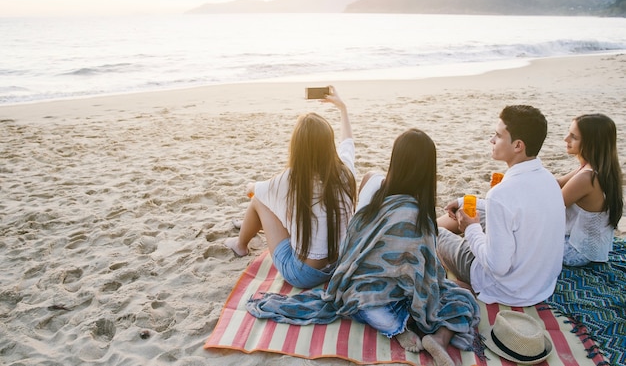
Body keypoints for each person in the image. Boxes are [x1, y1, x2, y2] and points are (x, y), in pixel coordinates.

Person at [247, 129, 480, 366]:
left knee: (371, 308)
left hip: (356, 289)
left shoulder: (375, 198)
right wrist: (443, 283)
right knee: (461, 298)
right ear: (427, 171)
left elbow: (353, 244)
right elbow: (423, 271)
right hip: (389, 295)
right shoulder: (419, 217)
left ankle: (391, 323)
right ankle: (438, 337)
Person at [225, 85, 357, 289]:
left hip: (303, 276)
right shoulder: (345, 172)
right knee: (283, 203)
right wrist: (342, 108)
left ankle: (240, 245)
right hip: (339, 265)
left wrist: (250, 186)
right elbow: (348, 142)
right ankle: (245, 230)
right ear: (329, 145)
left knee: (259, 200)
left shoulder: (292, 180)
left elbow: (253, 190)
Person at [436, 105, 565, 307]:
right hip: (541, 285)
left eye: (498, 135)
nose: (492, 140)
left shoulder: (501, 194)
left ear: (518, 146)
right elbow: (512, 209)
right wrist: (464, 202)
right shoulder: (548, 180)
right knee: (483, 214)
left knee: (436, 234)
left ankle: (463, 283)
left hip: (508, 289)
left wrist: (470, 229)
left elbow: (497, 266)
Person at [558, 113, 623, 266]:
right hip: (591, 249)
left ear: (591, 143)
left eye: (573, 137)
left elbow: (551, 208)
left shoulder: (587, 178)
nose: (566, 139)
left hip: (575, 252)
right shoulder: (595, 168)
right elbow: (558, 183)